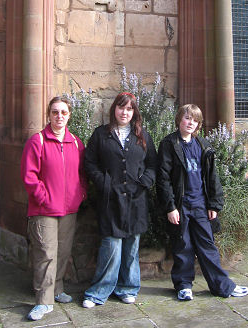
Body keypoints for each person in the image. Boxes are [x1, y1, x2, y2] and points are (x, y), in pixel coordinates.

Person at [157, 104, 248, 301]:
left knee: (208, 246)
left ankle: (222, 286)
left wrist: (214, 204)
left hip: (199, 204)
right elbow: (163, 179)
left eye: (195, 120)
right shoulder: (169, 144)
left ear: (198, 124)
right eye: (187, 118)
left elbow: (212, 177)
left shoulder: (203, 146)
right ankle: (183, 286)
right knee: (183, 246)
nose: (191, 123)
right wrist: (170, 206)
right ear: (179, 119)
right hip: (180, 205)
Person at [82, 92, 157, 308]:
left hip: (136, 200)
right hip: (110, 200)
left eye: (129, 109)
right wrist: (103, 183)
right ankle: (98, 292)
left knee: (132, 247)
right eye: (121, 107)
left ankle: (128, 287)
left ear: (134, 113)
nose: (125, 112)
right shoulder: (100, 135)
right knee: (111, 247)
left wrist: (144, 181)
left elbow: (153, 164)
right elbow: (90, 163)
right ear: (114, 109)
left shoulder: (142, 136)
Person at [21, 96, 87, 321]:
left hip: (69, 209)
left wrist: (80, 195)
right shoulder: (37, 141)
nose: (59, 116)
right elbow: (29, 176)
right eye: (55, 112)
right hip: (44, 210)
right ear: (48, 115)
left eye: (64, 112)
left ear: (69, 115)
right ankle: (43, 301)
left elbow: (82, 175)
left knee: (62, 252)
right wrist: (43, 198)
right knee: (45, 254)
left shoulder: (76, 143)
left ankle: (57, 289)